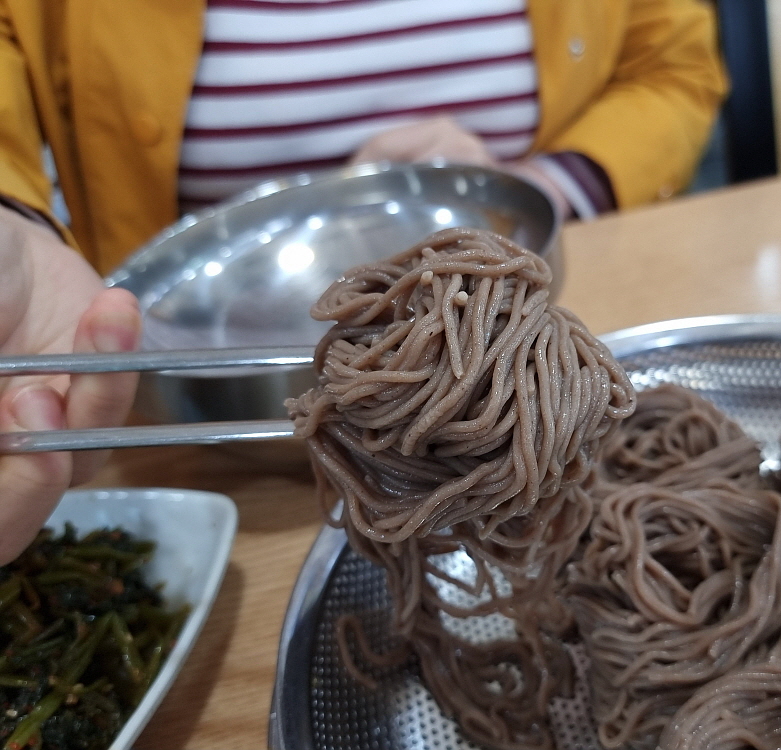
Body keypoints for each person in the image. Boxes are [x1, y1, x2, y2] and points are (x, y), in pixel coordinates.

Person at [0, 0, 727, 563]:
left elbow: (674, 63)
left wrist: (550, 183)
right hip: (185, 442)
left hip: (538, 303)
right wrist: (13, 220)